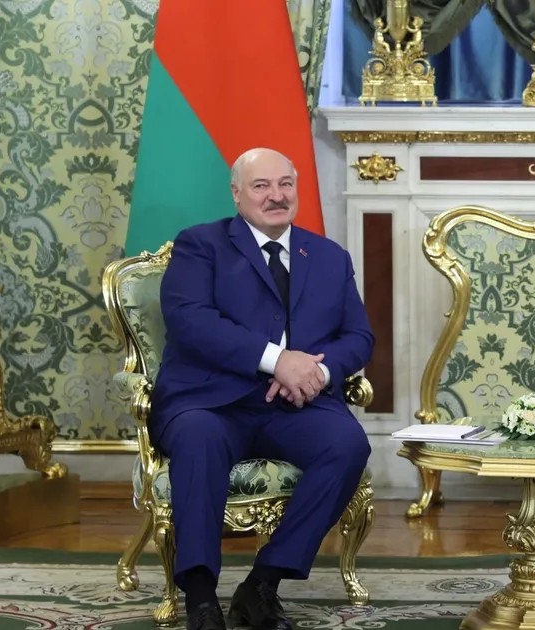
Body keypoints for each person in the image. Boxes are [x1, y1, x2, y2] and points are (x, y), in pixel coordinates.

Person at [149, 147, 374, 630]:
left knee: (347, 444)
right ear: (237, 194)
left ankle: (262, 585)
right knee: (199, 440)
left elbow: (358, 336)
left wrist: (317, 374)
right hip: (209, 402)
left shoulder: (329, 257)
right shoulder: (200, 245)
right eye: (261, 186)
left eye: (285, 184)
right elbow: (191, 321)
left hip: (295, 406)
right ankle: (201, 599)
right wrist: (278, 361)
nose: (276, 196)